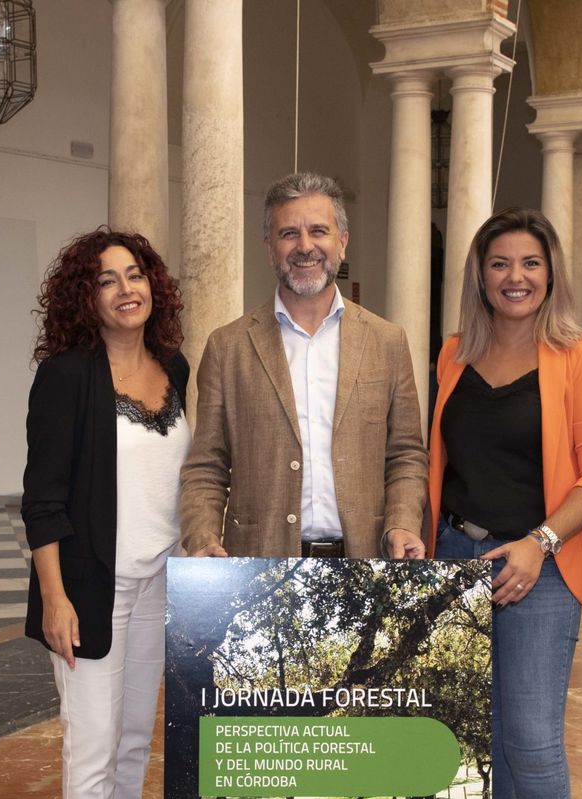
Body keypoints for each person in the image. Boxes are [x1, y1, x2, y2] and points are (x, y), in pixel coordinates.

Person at [425, 208, 582, 799]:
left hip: (540, 564)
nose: (515, 277)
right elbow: (437, 461)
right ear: (480, 274)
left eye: (530, 263)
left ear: (551, 273)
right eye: (500, 263)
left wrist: (540, 543)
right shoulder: (451, 355)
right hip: (458, 556)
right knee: (478, 733)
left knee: (532, 739)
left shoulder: (580, 358)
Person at [22, 228, 190, 799]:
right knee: (89, 746)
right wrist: (55, 598)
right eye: (106, 280)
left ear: (154, 284)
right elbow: (43, 501)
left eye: (136, 274)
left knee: (131, 739)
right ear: (83, 300)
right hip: (92, 589)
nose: (127, 289)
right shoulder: (66, 377)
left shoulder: (176, 367)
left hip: (161, 580)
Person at [179, 172, 427, 560]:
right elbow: (207, 467)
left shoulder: (387, 342)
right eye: (289, 233)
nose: (305, 246)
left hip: (366, 563)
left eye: (318, 231)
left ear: (342, 242)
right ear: (269, 248)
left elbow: (406, 455)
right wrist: (203, 538)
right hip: (260, 568)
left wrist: (402, 522)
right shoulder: (228, 347)